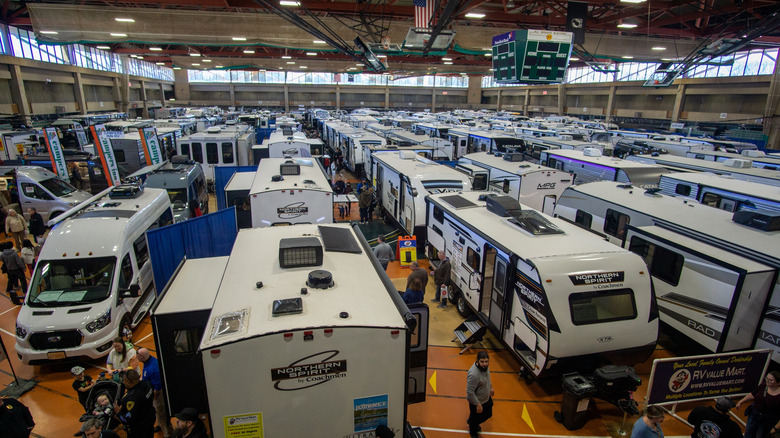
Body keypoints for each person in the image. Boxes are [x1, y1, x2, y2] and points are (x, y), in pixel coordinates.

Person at [137, 348, 172, 438]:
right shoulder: (149, 361)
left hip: (158, 394)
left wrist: (154, 396)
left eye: (137, 355)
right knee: (158, 411)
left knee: (161, 412)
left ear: (141, 357)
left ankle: (167, 433)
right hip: (153, 390)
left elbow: (158, 386)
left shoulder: (153, 368)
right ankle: (160, 425)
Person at [737, 370, 780, 438]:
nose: (767, 381)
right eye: (767, 378)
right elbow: (753, 394)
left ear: (778, 383)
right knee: (748, 434)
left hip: (767, 421)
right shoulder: (764, 385)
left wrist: (775, 428)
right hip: (754, 415)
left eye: (771, 380)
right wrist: (741, 401)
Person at [114, 369, 155, 438]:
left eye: (125, 381)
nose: (123, 382)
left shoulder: (132, 398)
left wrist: (118, 413)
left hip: (139, 428)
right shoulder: (147, 384)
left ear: (129, 382)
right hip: (150, 418)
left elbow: (128, 419)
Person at [466, 351, 494, 438]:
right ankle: (473, 431)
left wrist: (491, 387)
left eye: (486, 361)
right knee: (475, 421)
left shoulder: (485, 368)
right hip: (477, 402)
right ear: (477, 361)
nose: (485, 364)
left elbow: (487, 377)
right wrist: (478, 404)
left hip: (485, 398)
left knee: (488, 413)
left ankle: (472, 421)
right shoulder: (474, 374)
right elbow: (470, 392)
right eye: (482, 361)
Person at [2, 241, 27, 305]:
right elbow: (19, 262)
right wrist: (23, 268)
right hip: (17, 269)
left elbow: (2, 259)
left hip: (9, 269)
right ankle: (25, 291)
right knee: (22, 279)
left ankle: (9, 289)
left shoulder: (3, 254)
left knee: (10, 280)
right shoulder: (14, 254)